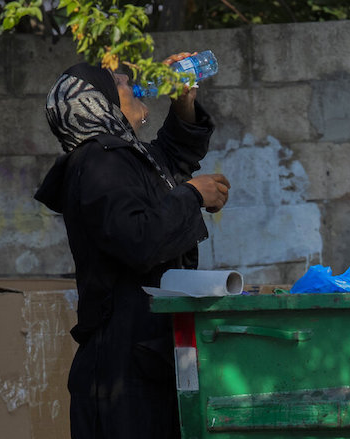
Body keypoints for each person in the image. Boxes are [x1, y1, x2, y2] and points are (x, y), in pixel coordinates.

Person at [34, 53, 230, 439]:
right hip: (121, 371)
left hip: (144, 357)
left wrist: (183, 101)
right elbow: (137, 239)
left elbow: (172, 158)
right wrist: (192, 195)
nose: (132, 83)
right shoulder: (98, 161)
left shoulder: (124, 157)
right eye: (120, 83)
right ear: (99, 104)